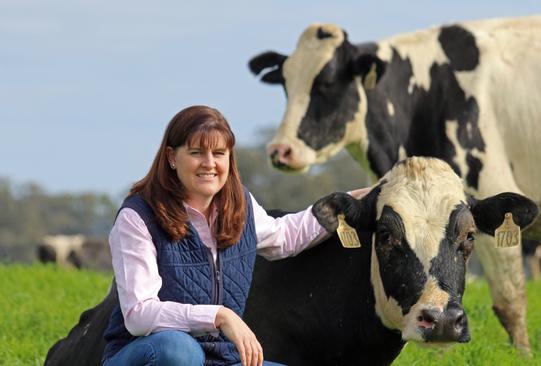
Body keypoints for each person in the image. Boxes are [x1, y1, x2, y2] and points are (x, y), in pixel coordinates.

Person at [102, 105, 367, 366]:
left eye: (219, 153)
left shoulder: (239, 205)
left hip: (220, 360)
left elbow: (283, 236)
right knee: (180, 350)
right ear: (172, 157)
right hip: (146, 355)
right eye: (196, 152)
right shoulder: (138, 217)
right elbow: (139, 314)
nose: (209, 163)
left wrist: (349, 203)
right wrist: (218, 316)